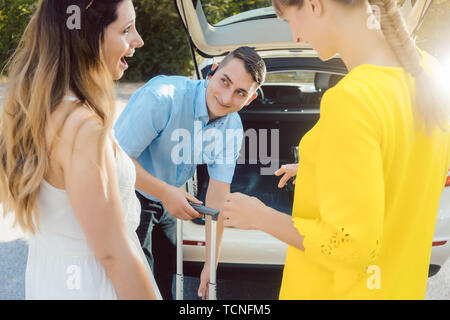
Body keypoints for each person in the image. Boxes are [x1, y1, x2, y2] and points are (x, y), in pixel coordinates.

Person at [221, 0, 450, 299]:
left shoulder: (352, 99)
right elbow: (399, 164)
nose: (296, 36)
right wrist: (320, 169)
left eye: (290, 19)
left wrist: (259, 216)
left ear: (315, 5)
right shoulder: (431, 76)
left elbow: (350, 246)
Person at [0, 0, 162, 300]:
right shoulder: (83, 128)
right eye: (126, 29)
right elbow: (113, 253)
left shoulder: (37, 110)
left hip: (51, 278)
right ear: (85, 38)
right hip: (94, 286)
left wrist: (165, 192)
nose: (138, 40)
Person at [114, 46, 266, 299]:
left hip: (169, 196)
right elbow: (115, 160)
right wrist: (166, 193)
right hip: (128, 192)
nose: (226, 98)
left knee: (165, 275)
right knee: (137, 284)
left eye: (240, 93)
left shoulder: (231, 127)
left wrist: (210, 264)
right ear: (212, 73)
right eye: (224, 82)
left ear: (249, 99)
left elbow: (218, 194)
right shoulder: (163, 98)